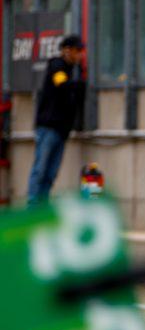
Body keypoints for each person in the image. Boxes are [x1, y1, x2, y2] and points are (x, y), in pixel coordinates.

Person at [27, 34, 85, 204]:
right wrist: (79, 85)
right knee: (40, 170)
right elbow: (61, 84)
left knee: (51, 173)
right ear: (67, 50)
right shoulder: (57, 65)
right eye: (77, 50)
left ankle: (42, 206)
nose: (80, 55)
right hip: (48, 127)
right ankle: (32, 206)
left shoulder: (72, 70)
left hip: (61, 130)